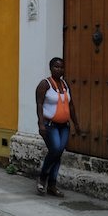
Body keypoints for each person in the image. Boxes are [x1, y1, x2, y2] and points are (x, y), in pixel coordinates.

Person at [35, 57, 83, 197]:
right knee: (55, 149)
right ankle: (43, 177)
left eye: (61, 67)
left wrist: (76, 124)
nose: (59, 69)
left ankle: (52, 185)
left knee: (58, 153)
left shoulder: (65, 84)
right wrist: (41, 124)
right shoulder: (45, 84)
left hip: (64, 126)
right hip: (50, 125)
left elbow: (71, 105)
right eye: (56, 67)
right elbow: (39, 104)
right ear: (50, 68)